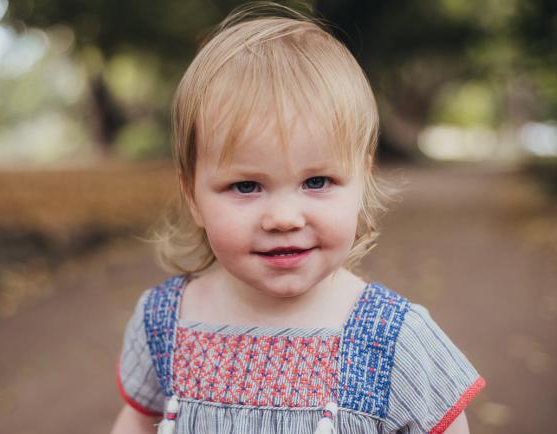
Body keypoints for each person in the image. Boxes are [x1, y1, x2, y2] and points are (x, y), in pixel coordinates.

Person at [110, 3, 485, 433]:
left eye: (318, 181)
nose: (284, 218)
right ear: (192, 197)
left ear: (362, 182)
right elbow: (137, 423)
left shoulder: (394, 338)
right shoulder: (164, 322)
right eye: (246, 186)